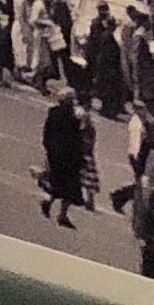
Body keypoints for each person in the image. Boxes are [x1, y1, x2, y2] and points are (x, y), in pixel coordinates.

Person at [39, 83, 96, 225]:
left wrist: (49, 149)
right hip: (69, 158)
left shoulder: (54, 113)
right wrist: (81, 156)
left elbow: (47, 134)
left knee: (58, 184)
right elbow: (76, 139)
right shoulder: (73, 118)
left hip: (56, 155)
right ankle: (62, 214)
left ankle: (49, 204)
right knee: (70, 188)